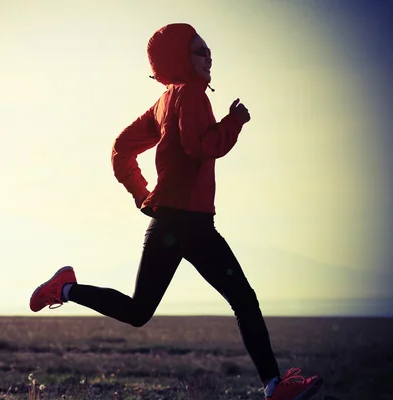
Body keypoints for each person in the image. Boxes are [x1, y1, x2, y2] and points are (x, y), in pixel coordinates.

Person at [29, 23, 323, 400]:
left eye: (209, 50)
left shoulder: (167, 100)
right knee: (241, 299)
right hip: (184, 222)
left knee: (142, 311)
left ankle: (65, 287)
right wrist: (234, 122)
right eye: (200, 51)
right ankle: (274, 387)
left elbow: (121, 148)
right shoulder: (192, 94)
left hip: (181, 221)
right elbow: (201, 145)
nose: (209, 56)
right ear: (180, 58)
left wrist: (143, 195)